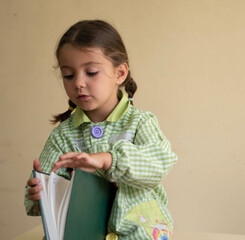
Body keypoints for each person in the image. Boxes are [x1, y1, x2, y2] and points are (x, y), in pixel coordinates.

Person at [24, 20, 177, 240]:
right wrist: (40, 196)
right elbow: (42, 198)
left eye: (92, 72)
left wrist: (108, 159)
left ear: (120, 73)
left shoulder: (140, 122)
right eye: (68, 75)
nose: (78, 83)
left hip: (139, 235)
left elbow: (161, 162)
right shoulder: (63, 135)